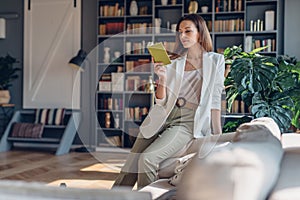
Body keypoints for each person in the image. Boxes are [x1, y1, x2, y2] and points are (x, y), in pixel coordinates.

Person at [112, 13, 225, 189]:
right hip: (162, 115)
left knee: (147, 159)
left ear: (200, 33)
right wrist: (162, 78)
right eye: (180, 32)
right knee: (130, 165)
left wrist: (217, 134)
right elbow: (161, 100)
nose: (183, 36)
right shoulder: (174, 62)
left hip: (187, 121)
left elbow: (216, 98)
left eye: (188, 31)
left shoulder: (216, 60)